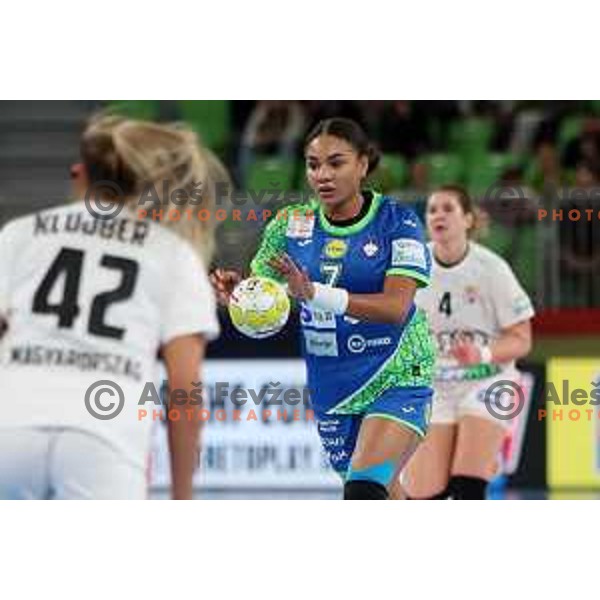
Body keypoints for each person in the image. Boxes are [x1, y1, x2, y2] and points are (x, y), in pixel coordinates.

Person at [0, 114, 224, 499]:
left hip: (12, 422)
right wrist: (183, 496)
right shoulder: (172, 253)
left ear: (83, 174)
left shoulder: (21, 233)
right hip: (105, 437)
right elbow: (185, 391)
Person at [212, 117, 436, 500]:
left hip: (396, 373)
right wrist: (241, 295)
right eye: (313, 164)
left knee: (364, 490)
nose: (322, 175)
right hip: (331, 382)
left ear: (363, 164)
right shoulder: (290, 224)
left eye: (336, 163)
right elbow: (270, 297)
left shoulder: (397, 221)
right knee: (383, 492)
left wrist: (314, 293)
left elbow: (397, 307)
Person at [402, 184, 534, 500]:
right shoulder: (413, 267)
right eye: (432, 209)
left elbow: (522, 339)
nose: (438, 215)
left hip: (489, 380)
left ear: (468, 220)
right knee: (422, 494)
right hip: (436, 384)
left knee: (467, 488)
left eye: (448, 209)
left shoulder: (492, 268)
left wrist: (483, 352)